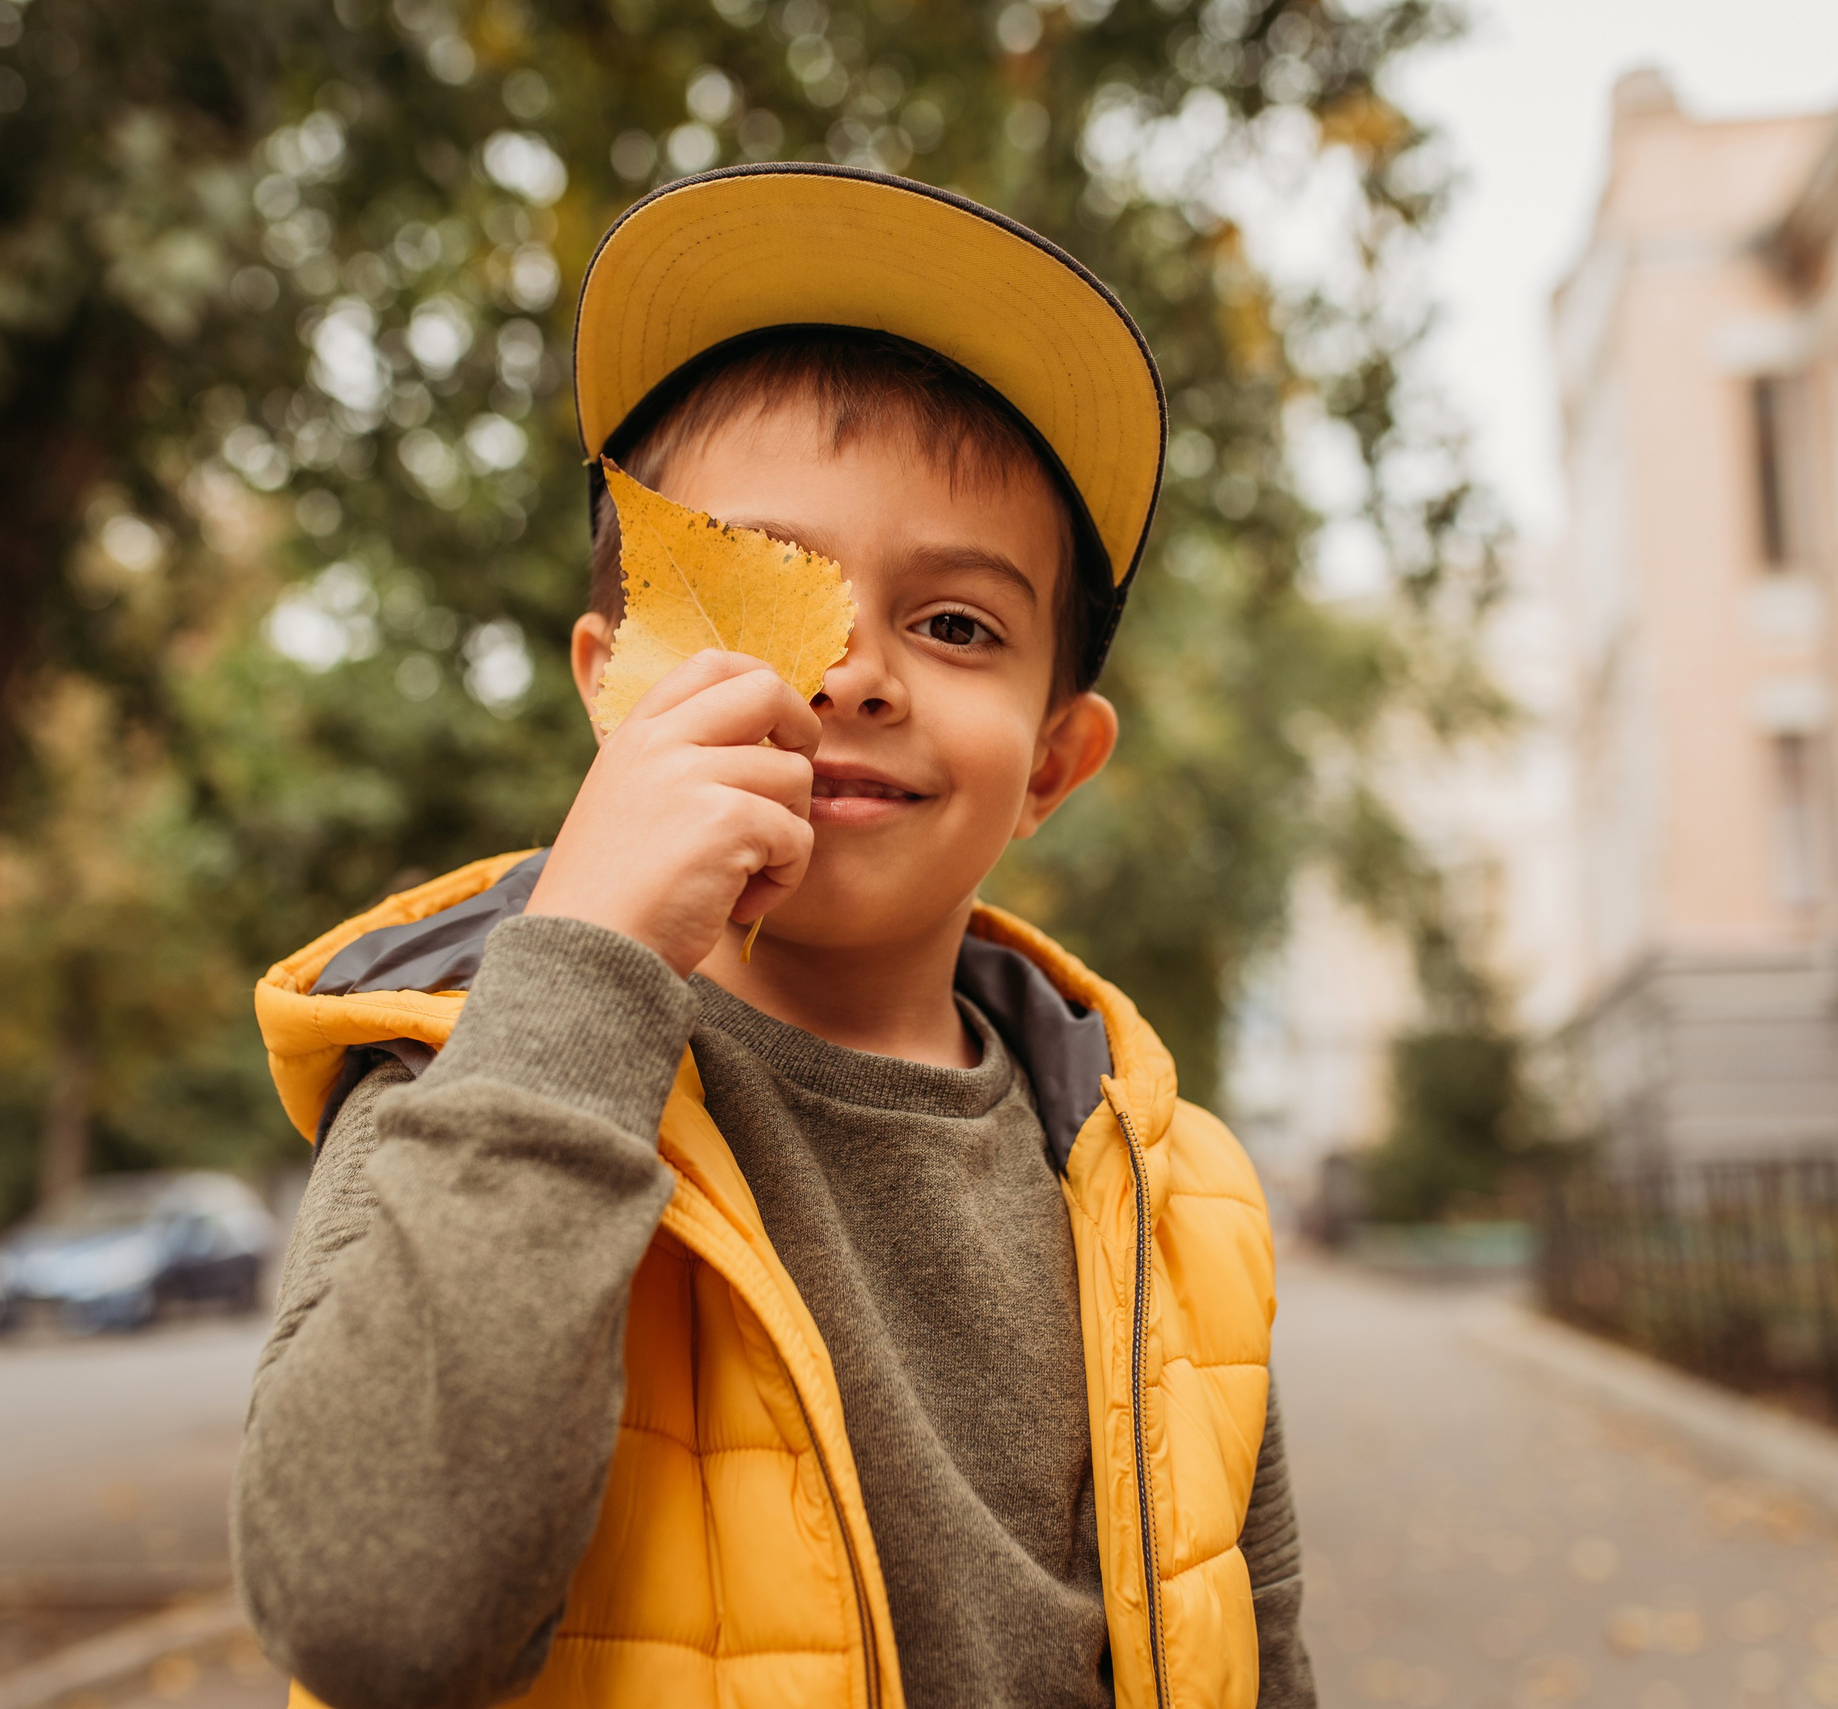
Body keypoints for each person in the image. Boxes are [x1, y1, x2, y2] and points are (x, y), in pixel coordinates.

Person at [235, 164, 1313, 1709]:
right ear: (614, 685)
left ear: (1053, 765)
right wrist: (588, 954)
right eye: (757, 592)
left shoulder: (1180, 1195)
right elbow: (369, 1613)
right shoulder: (466, 1086)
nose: (854, 671)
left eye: (956, 624)